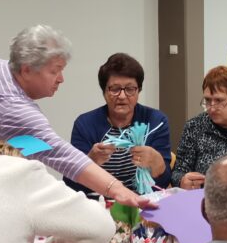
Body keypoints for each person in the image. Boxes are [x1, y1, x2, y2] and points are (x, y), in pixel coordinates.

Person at [0, 25, 153, 211]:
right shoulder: (15, 110)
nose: (61, 79)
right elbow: (62, 155)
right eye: (55, 71)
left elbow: (36, 147)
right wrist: (118, 190)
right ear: (27, 69)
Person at [65, 53, 171, 196]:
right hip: (99, 202)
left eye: (130, 89)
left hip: (143, 201)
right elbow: (70, 185)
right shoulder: (85, 124)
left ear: (138, 90)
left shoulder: (156, 121)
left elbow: (164, 183)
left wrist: (158, 164)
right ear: (104, 91)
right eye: (114, 89)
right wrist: (90, 161)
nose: (122, 96)